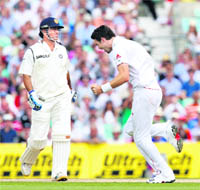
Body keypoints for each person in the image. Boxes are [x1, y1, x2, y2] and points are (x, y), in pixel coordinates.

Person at [90, 25, 183, 183]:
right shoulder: (128, 44)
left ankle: (165, 173)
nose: (99, 48)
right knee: (130, 130)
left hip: (144, 91)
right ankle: (165, 129)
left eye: (98, 45)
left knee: (141, 137)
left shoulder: (118, 48)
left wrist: (102, 88)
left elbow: (124, 76)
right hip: (152, 90)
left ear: (104, 39)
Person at [18, 17, 77, 181]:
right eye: (53, 29)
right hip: (42, 99)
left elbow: (66, 72)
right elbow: (26, 74)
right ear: (44, 31)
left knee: (62, 134)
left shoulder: (62, 50)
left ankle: (59, 172)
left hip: (61, 97)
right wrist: (31, 94)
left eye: (58, 29)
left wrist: (70, 89)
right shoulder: (33, 50)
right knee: (38, 139)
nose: (57, 32)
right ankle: (27, 159)